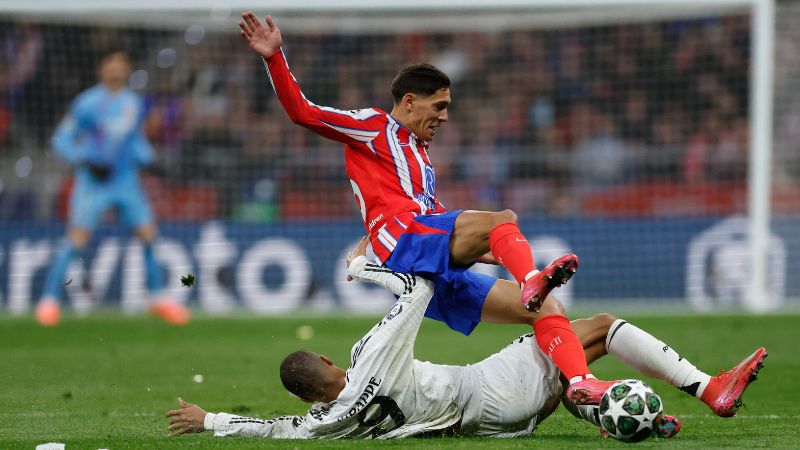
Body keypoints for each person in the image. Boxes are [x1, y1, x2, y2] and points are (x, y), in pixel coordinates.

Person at [238, 11, 610, 405]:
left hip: (429, 264)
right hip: (405, 244)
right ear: (411, 102)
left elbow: (432, 213)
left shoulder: (420, 156)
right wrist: (274, 58)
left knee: (548, 308)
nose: (445, 116)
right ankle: (532, 278)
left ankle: (581, 381)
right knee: (504, 221)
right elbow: (303, 112)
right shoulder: (373, 127)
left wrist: (486, 250)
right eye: (439, 106)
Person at [164, 239, 767, 440]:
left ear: (305, 398)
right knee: (595, 329)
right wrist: (363, 267)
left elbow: (270, 431)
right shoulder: (372, 355)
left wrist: (209, 419)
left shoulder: (330, 422)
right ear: (326, 358)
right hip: (490, 387)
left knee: (559, 351)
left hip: (488, 421)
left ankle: (608, 411)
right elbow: (414, 291)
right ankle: (705, 387)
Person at [35, 50, 190, 327]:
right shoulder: (87, 103)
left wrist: (152, 160)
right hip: (93, 183)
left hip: (126, 181)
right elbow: (61, 139)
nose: (117, 69)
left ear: (128, 69)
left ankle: (156, 298)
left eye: (122, 64)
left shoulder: (133, 103)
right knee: (77, 240)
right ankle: (49, 301)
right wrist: (85, 158)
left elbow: (135, 143)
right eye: (111, 63)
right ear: (101, 68)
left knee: (148, 235)